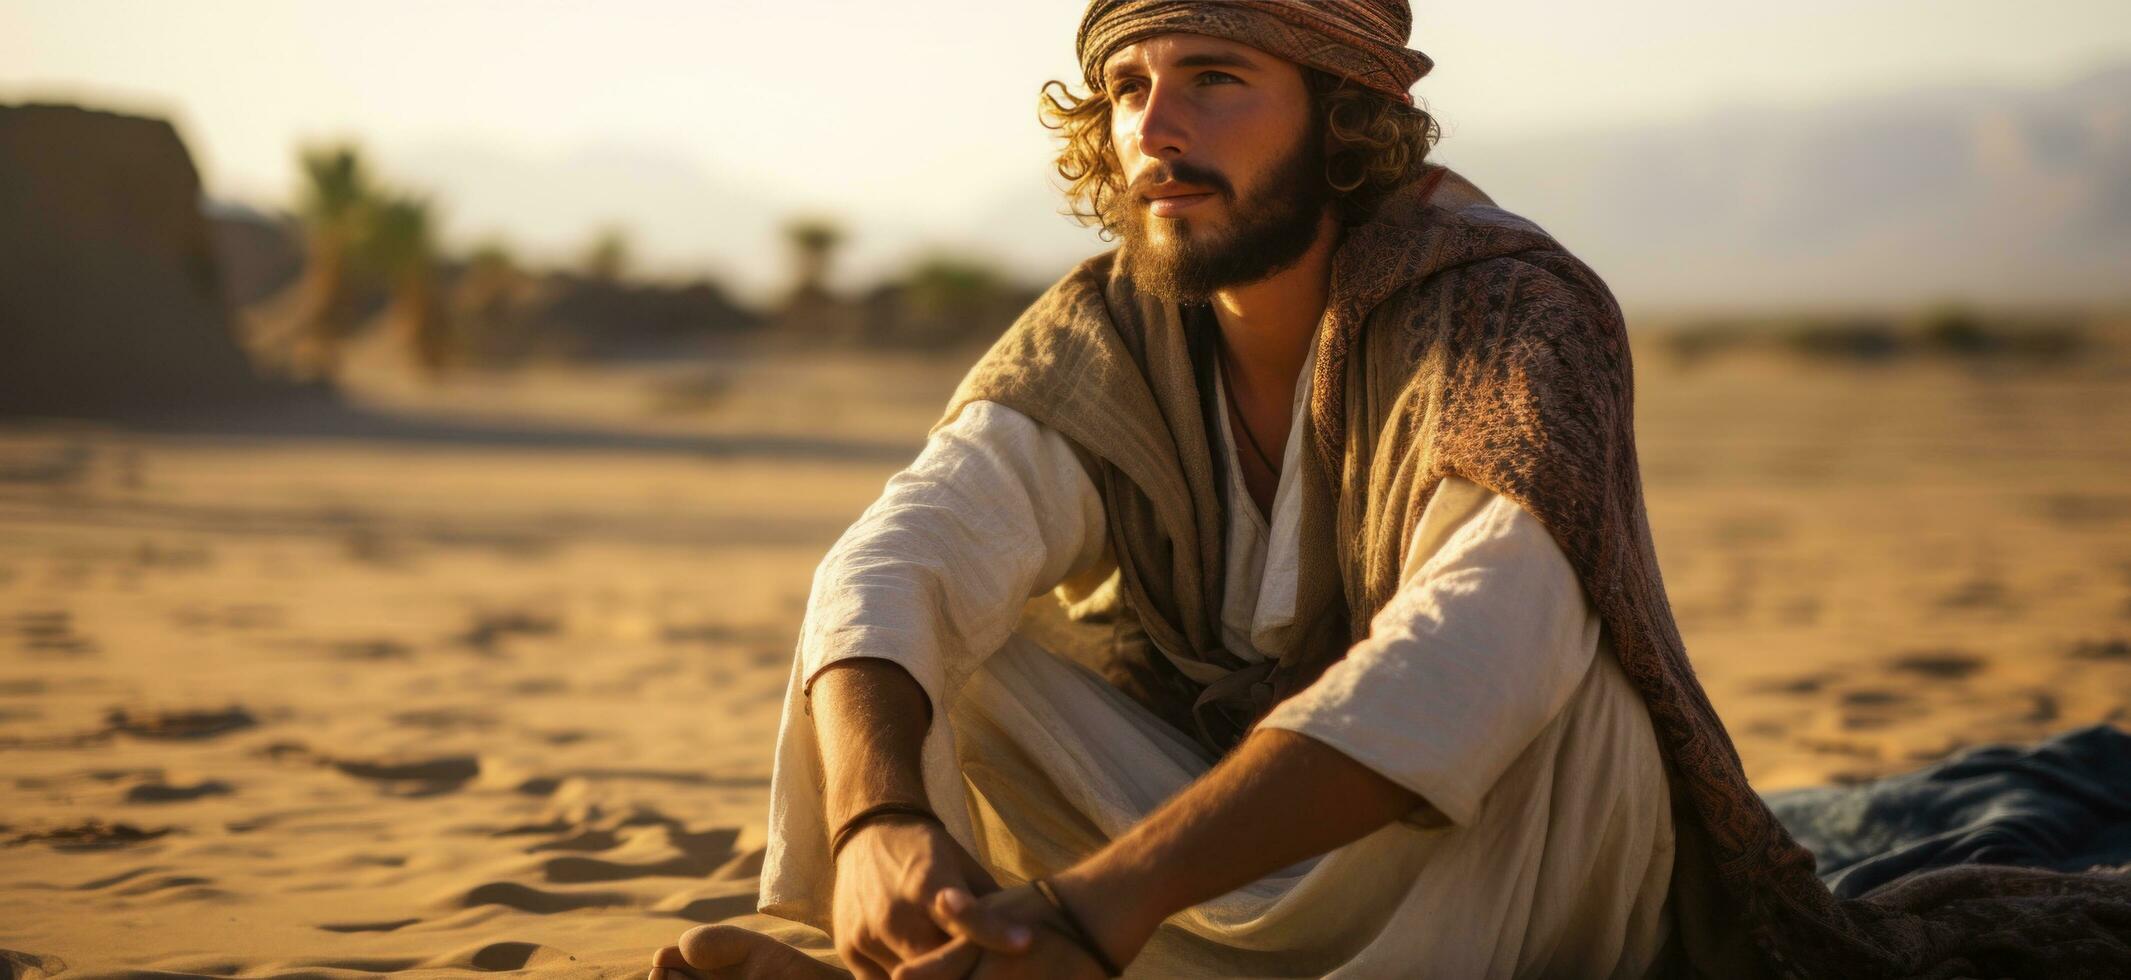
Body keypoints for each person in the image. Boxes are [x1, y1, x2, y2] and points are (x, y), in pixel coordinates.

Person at [652, 2, 2131, 978]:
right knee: (932, 647)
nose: (1154, 131)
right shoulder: (1104, 331)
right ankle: (922, 939)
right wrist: (875, 826)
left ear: (1345, 113)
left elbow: (1480, 651)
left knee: (1534, 686)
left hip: (1513, 862)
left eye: (1214, 81)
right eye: (1127, 88)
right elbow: (899, 555)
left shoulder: (1503, 307)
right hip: (1219, 883)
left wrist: (1107, 901)